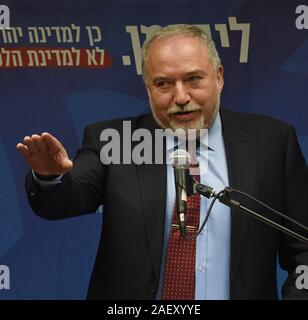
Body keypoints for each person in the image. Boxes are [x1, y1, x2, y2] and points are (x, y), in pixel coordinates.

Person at [17, 24, 308, 300]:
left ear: (218, 77)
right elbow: (66, 198)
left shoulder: (272, 141)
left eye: (193, 79)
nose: (180, 97)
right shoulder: (115, 141)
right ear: (148, 89)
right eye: (163, 84)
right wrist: (48, 177)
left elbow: (303, 247)